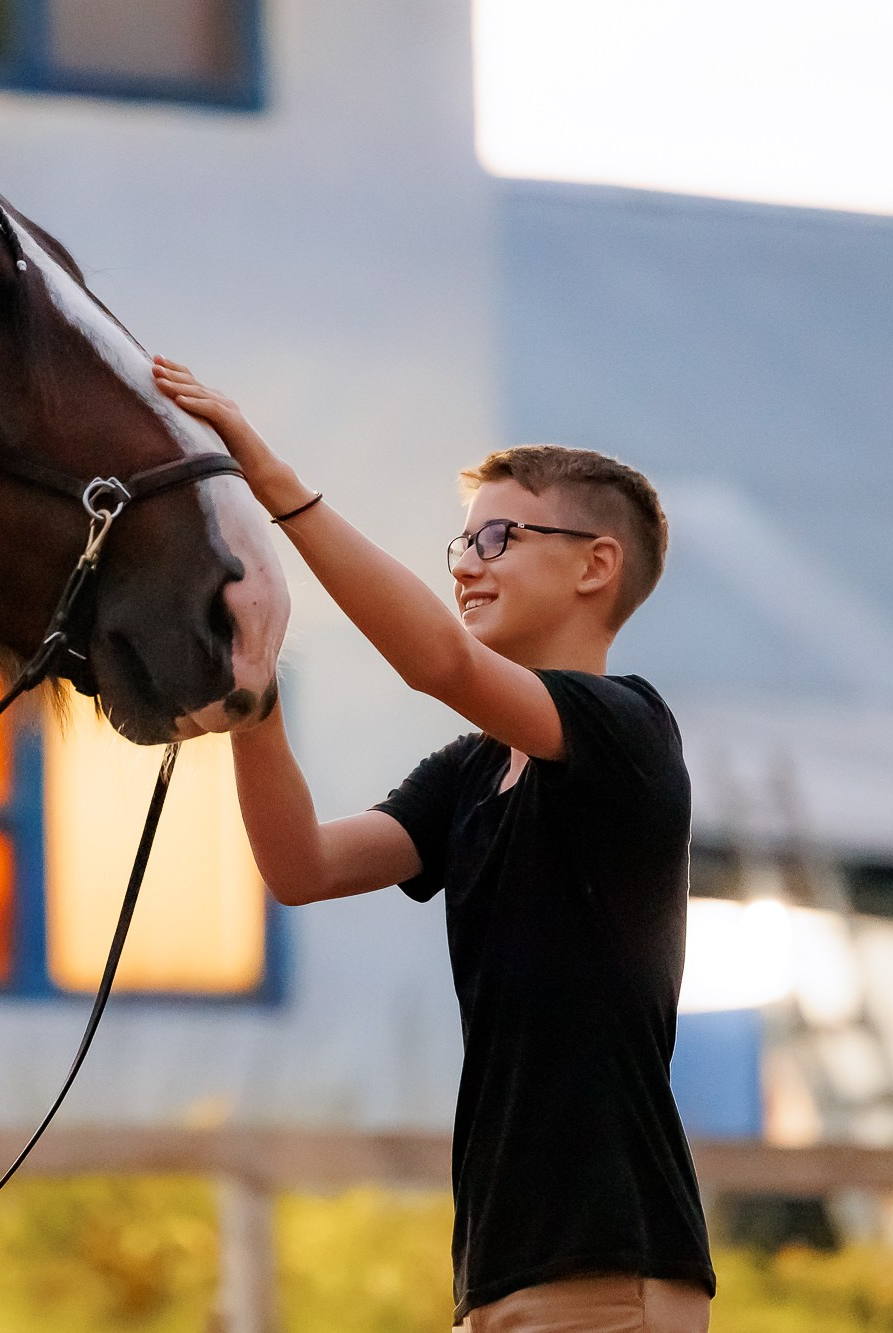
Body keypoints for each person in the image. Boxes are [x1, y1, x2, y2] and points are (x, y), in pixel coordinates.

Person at [152, 355, 715, 1333]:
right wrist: (256, 702)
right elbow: (301, 867)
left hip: (609, 1268)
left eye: (499, 537)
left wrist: (277, 487)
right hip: (500, 1274)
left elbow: (436, 661)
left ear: (595, 565)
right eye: (462, 541)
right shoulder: (470, 771)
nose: (465, 565)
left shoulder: (627, 730)